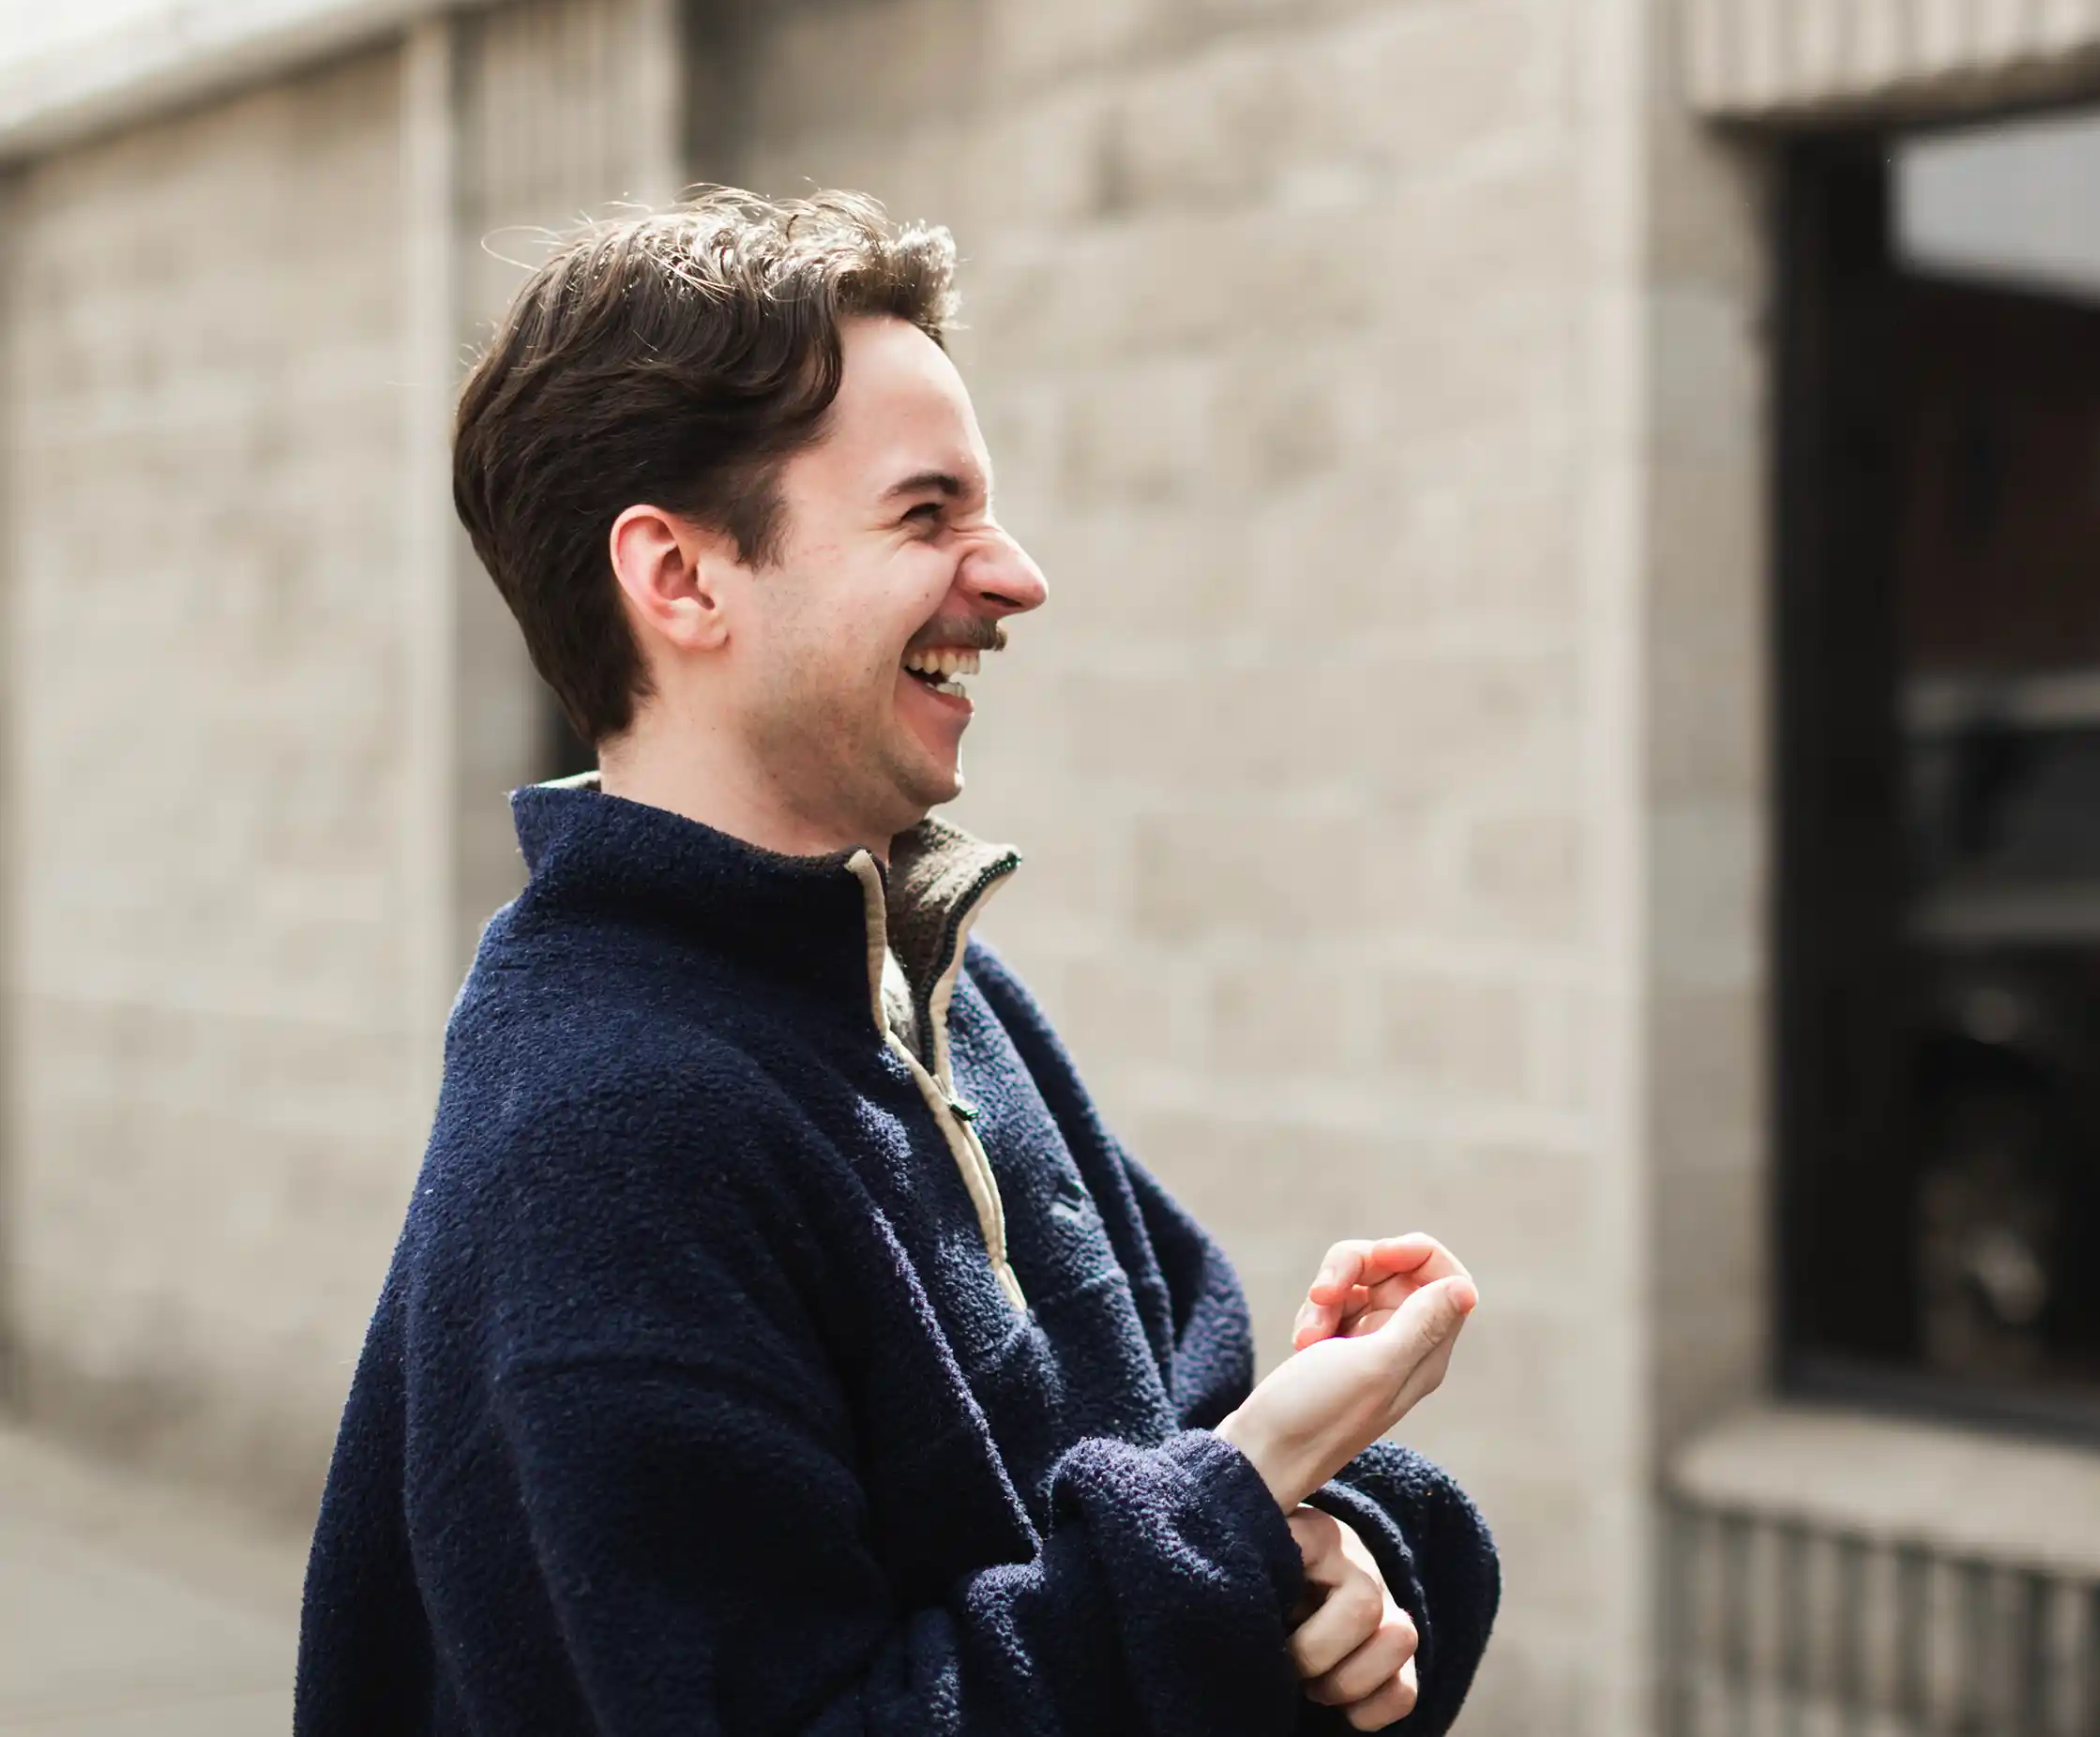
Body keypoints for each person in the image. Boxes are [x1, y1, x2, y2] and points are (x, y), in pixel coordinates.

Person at [295, 190, 1500, 1735]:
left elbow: (1187, 1450)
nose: (1014, 578)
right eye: (927, 515)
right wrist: (1240, 1517)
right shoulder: (605, 1129)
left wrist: (1344, 1561)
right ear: (680, 580)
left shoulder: (944, 1004)